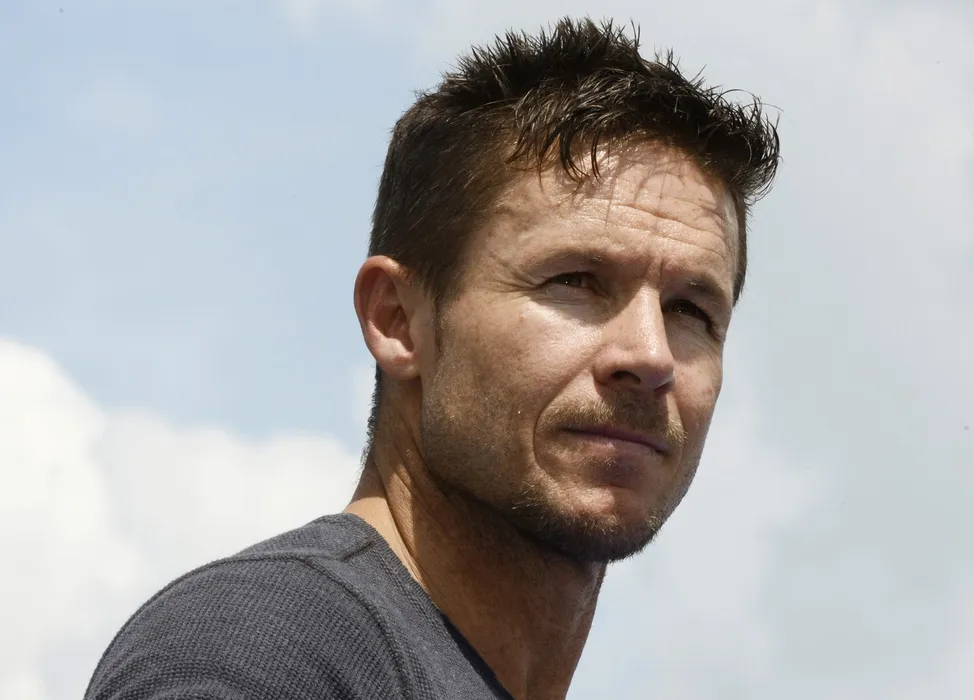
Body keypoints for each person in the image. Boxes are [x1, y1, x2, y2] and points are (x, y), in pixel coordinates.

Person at [85, 17, 779, 700]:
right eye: (575, 281)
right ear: (398, 320)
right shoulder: (261, 650)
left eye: (691, 311)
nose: (650, 355)